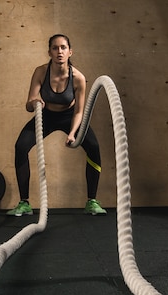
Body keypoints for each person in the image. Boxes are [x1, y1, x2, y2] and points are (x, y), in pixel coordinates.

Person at [7, 34, 107, 216]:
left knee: (93, 146)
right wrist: (34, 101)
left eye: (63, 47)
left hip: (70, 117)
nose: (59, 51)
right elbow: (29, 105)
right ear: (49, 52)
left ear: (70, 52)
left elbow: (79, 111)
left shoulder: (78, 78)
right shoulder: (40, 72)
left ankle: (92, 201)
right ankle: (24, 203)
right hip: (46, 115)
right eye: (55, 48)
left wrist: (73, 133)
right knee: (20, 146)